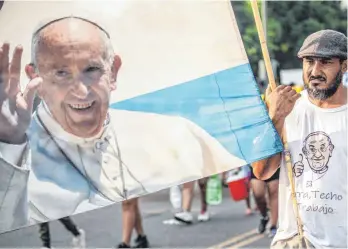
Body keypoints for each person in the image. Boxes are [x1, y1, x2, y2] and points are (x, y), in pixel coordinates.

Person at [0, 16, 247, 233]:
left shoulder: (178, 131)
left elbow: (255, 167)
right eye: (61, 73)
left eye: (92, 69)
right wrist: (10, 145)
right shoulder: (16, 150)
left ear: (113, 71)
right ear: (35, 76)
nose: (81, 90)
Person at [252, 30, 347, 248]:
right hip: (294, 240)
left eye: (325, 62)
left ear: (344, 66)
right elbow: (262, 171)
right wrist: (275, 117)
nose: (315, 71)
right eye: (309, 61)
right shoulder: (286, 107)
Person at [249, 166, 279, 237]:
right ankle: (264, 216)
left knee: (274, 193)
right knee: (258, 194)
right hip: (257, 162)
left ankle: (273, 226)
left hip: (273, 161)